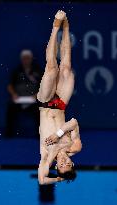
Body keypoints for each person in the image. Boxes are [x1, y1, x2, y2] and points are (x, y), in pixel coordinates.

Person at [38, 10, 82, 185]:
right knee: (66, 67)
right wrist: (57, 135)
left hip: (46, 102)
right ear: (72, 163)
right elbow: (73, 122)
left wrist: (58, 178)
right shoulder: (74, 147)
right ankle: (66, 25)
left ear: (57, 167)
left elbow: (41, 181)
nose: (64, 162)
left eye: (61, 166)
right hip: (61, 104)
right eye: (68, 165)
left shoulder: (47, 155)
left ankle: (55, 27)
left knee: (52, 68)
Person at [5, 50, 42, 137]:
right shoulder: (16, 71)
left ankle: (39, 134)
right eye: (24, 58)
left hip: (34, 100)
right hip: (18, 100)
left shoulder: (38, 70)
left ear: (31, 59)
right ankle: (9, 134)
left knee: (40, 110)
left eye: (28, 58)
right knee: (10, 107)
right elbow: (10, 86)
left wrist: (37, 95)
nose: (26, 60)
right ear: (21, 59)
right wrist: (14, 94)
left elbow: (44, 87)